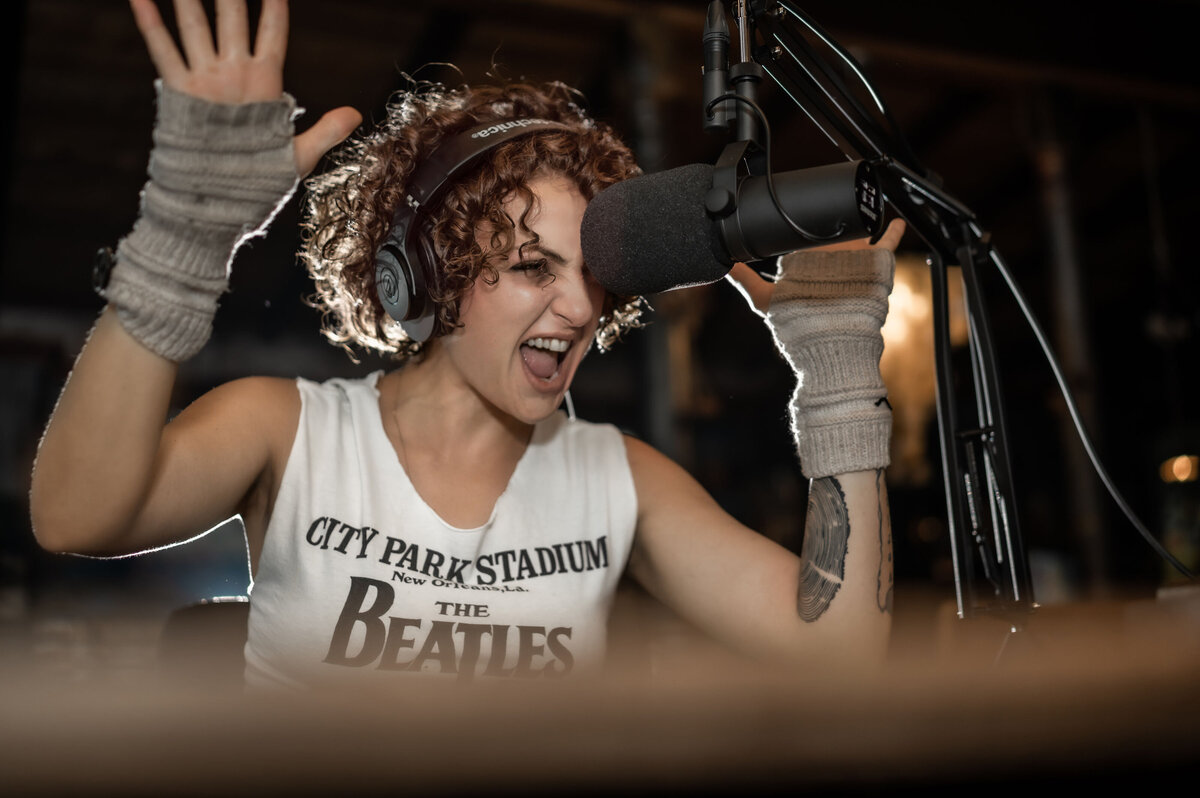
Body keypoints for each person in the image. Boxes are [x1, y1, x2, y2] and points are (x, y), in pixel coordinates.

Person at [29, 0, 902, 688]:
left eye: (591, 271)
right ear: (433, 273)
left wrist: (836, 364)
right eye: (531, 266)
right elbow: (74, 515)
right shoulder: (286, 430)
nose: (576, 304)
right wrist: (183, 238)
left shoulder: (618, 479)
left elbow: (843, 654)